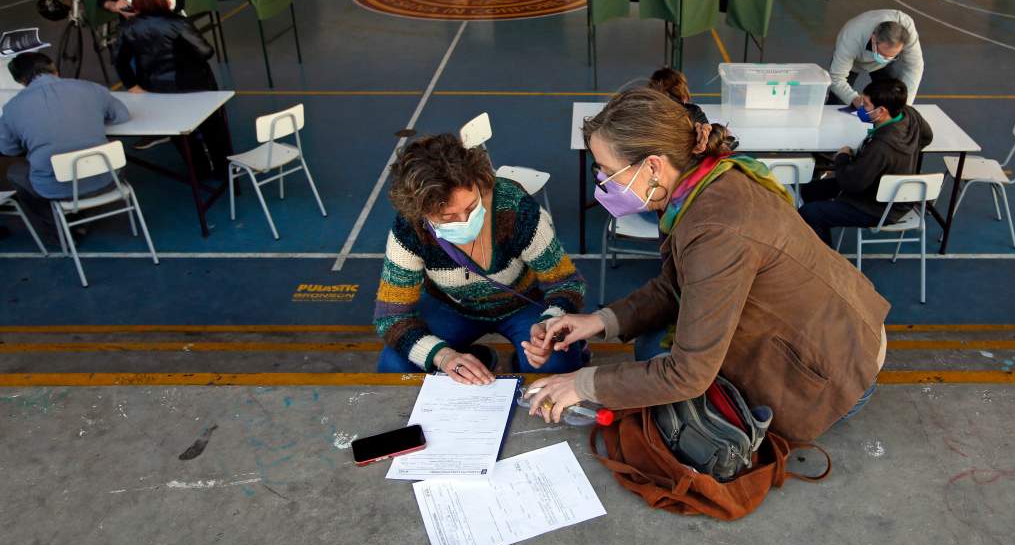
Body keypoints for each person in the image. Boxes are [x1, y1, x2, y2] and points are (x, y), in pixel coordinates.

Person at [522, 88, 890, 442]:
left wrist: (582, 384)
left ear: (652, 165)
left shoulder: (716, 230)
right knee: (651, 346)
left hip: (833, 373)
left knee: (656, 358)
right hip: (843, 331)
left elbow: (688, 374)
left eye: (607, 172)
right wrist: (600, 322)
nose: (602, 184)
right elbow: (676, 283)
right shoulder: (710, 180)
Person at [374, 133, 588, 383]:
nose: (465, 222)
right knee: (394, 365)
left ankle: (518, 360)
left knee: (558, 363)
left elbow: (566, 282)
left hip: (522, 305)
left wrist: (549, 323)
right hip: (452, 307)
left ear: (479, 182)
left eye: (471, 206)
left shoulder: (516, 210)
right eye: (448, 217)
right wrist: (443, 356)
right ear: (420, 211)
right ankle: (474, 359)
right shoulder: (410, 228)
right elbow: (391, 315)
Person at [0, 52, 131, 239]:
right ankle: (84, 217)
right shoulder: (90, 88)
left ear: (20, 81)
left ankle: (58, 234)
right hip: (108, 179)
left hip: (55, 186)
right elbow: (121, 115)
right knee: (104, 157)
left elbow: (8, 149)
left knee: (15, 172)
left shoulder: (13, 107)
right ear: (55, 68)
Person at [112, 0, 230, 171]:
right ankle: (222, 170)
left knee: (180, 133)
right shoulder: (177, 23)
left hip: (156, 89)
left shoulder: (128, 27)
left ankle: (199, 170)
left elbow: (119, 60)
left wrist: (132, 85)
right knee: (212, 129)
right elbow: (205, 51)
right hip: (194, 85)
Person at [799, 78, 932, 246]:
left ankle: (828, 261)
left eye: (866, 104)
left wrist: (842, 157)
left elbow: (851, 183)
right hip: (896, 195)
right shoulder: (910, 114)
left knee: (809, 213)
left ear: (882, 110)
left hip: (877, 207)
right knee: (811, 191)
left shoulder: (881, 146)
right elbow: (927, 137)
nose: (861, 107)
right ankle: (819, 241)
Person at [828, 8, 924, 107]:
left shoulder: (907, 27)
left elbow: (914, 67)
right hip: (853, 62)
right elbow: (837, 78)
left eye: (891, 56)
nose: (885, 58)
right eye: (882, 54)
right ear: (874, 39)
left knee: (893, 98)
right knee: (836, 103)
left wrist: (905, 105)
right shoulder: (851, 37)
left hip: (883, 66)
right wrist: (854, 99)